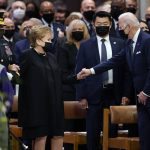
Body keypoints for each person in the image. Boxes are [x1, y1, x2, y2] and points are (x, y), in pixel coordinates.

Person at [78, 12, 150, 150]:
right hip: (141, 100)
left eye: (120, 26)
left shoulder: (147, 40)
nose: (119, 29)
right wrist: (91, 71)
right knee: (145, 138)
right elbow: (113, 61)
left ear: (128, 27)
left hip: (146, 96)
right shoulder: (129, 43)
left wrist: (146, 92)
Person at [75, 11, 128, 150]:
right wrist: (81, 96)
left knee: (112, 135)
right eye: (99, 24)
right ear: (93, 25)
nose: (102, 26)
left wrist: (126, 94)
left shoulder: (120, 43)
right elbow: (79, 72)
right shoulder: (85, 45)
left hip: (114, 94)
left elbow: (126, 72)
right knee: (92, 135)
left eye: (105, 24)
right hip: (93, 96)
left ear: (110, 24)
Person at [18, 25, 64, 150]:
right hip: (37, 106)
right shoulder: (27, 55)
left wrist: (77, 77)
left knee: (58, 135)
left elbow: (60, 77)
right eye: (48, 40)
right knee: (41, 136)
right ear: (38, 40)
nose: (50, 43)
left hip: (54, 103)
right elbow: (19, 78)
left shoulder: (51, 57)